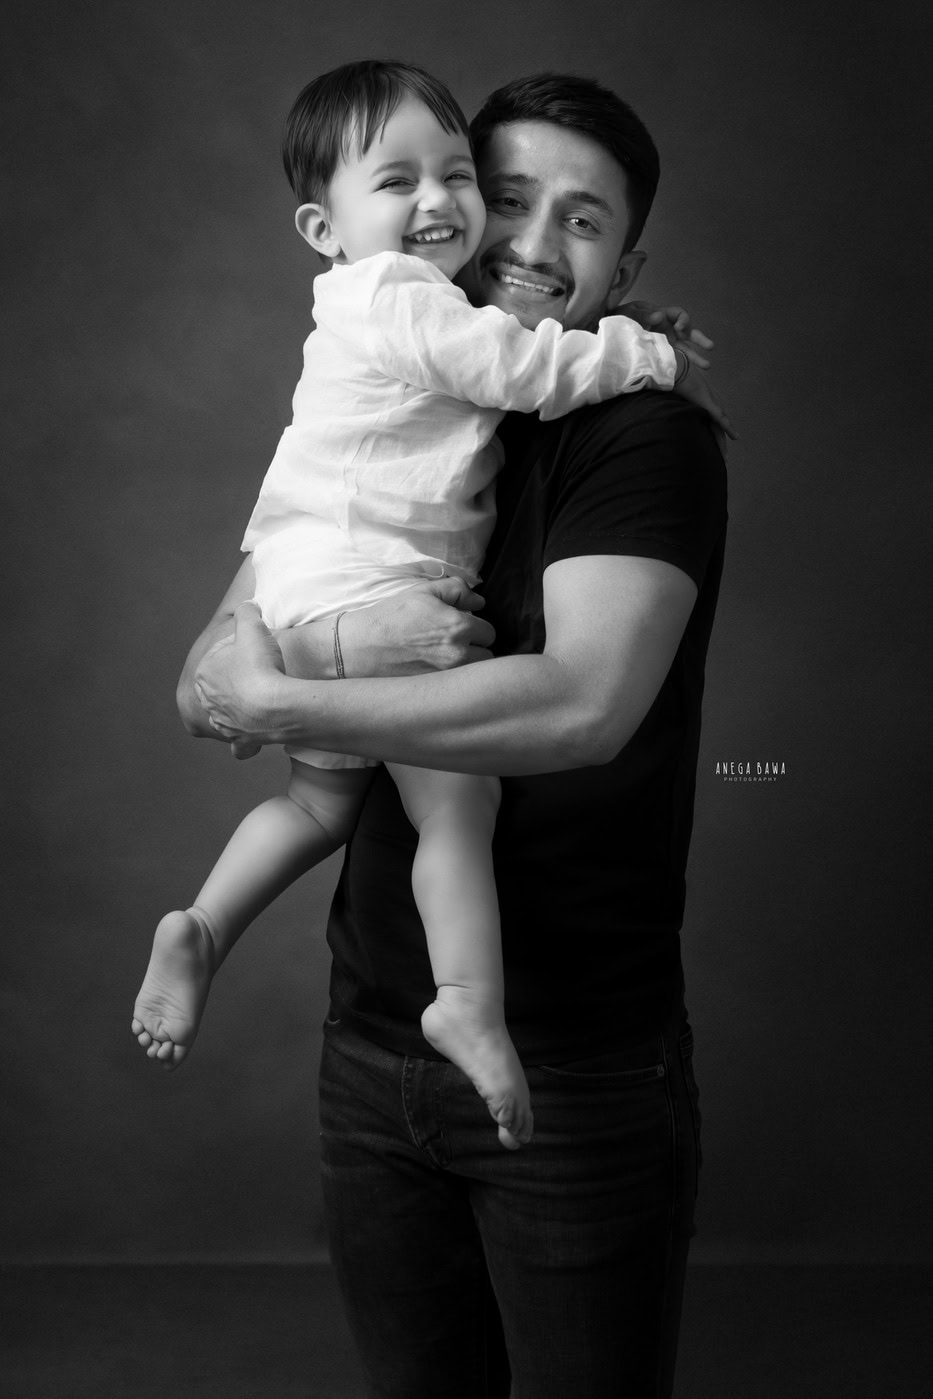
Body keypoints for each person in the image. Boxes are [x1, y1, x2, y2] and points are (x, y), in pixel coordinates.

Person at [183, 70, 728, 1399]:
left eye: (582, 222)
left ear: (624, 259)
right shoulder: (398, 399)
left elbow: (578, 707)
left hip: (575, 1060)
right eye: (509, 198)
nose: (532, 244)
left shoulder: (643, 441)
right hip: (368, 1045)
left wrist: (282, 702)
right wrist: (247, 673)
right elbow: (212, 669)